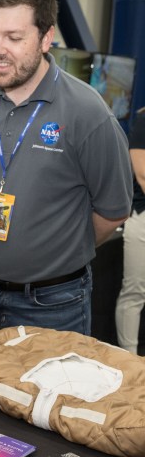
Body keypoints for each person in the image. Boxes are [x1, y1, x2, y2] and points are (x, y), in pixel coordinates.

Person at [0, 0, 133, 340]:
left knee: (43, 398)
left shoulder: (88, 113)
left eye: (14, 38)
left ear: (46, 37)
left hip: (52, 303)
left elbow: (113, 211)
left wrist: (53, 251)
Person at [115, 110, 145, 355]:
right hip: (142, 216)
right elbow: (142, 174)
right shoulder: (144, 119)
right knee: (135, 291)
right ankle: (130, 358)